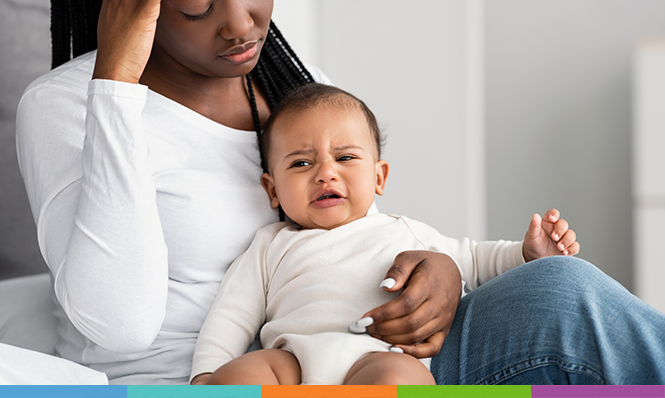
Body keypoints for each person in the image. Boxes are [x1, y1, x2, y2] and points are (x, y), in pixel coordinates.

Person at [15, 0, 665, 385]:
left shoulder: (292, 84)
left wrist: (439, 270)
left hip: (373, 353)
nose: (242, 26)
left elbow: (360, 231)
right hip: (233, 372)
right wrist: (118, 84)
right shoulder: (68, 105)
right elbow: (118, 322)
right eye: (194, 7)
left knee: (561, 286)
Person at [190, 83, 579, 386]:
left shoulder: (402, 232)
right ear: (272, 189)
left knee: (402, 381)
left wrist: (527, 254)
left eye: (345, 158)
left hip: (378, 356)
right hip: (291, 359)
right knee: (236, 380)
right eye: (302, 163)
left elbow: (475, 260)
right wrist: (206, 375)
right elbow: (231, 314)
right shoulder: (270, 245)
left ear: (379, 177)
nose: (326, 173)